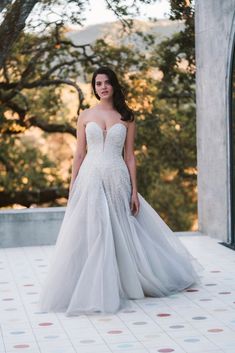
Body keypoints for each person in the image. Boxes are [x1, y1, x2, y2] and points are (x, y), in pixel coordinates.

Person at [39, 66, 203, 316]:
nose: (102, 87)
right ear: (93, 88)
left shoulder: (126, 116)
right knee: (94, 230)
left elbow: (130, 157)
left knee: (119, 227)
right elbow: (80, 154)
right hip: (90, 178)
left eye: (106, 82)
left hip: (117, 178)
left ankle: (125, 281)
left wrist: (134, 191)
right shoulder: (85, 115)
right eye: (97, 83)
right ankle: (93, 285)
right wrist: (72, 187)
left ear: (114, 85)